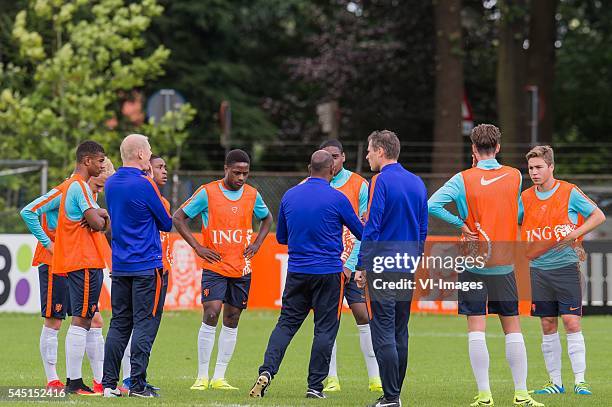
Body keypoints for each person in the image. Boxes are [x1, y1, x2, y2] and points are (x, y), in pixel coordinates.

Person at [428, 124, 543, 407]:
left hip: (473, 261)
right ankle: (522, 394)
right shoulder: (515, 176)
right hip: (504, 263)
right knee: (512, 326)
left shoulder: (462, 179)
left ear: (473, 149)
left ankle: (484, 395)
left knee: (476, 327)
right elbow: (517, 211)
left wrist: (462, 225)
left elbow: (432, 204)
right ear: (499, 148)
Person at [249, 150, 363, 400]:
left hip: (298, 272)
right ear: (332, 170)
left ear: (308, 167)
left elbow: (281, 238)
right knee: (324, 329)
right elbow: (361, 232)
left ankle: (267, 371)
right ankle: (314, 386)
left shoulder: (290, 196)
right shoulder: (338, 198)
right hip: (329, 274)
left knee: (286, 324)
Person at [173, 149, 273, 391]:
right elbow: (178, 217)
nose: (241, 178)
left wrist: (258, 243)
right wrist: (197, 247)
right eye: (236, 172)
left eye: (245, 174)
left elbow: (267, 218)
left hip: (241, 266)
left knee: (232, 317)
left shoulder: (252, 195)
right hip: (215, 264)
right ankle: (201, 376)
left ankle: (219, 377)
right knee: (211, 312)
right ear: (226, 169)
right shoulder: (208, 192)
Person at [19, 153, 111, 394]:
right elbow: (28, 212)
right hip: (54, 262)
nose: (99, 191)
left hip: (76, 262)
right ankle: (53, 380)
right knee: (55, 320)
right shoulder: (65, 191)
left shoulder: (86, 196)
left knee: (95, 319)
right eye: (99, 185)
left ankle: (100, 381)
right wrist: (48, 243)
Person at [520, 146, 605, 396]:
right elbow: (512, 219)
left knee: (571, 321)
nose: (534, 172)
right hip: (538, 269)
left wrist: (575, 234)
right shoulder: (525, 197)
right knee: (547, 324)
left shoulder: (568, 191)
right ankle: (555, 383)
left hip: (566, 267)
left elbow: (597, 215)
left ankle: (580, 380)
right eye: (531, 168)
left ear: (551, 167)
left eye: (539, 167)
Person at [354, 130, 428, 407]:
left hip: (383, 263)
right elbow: (422, 227)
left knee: (382, 329)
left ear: (381, 152)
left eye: (370, 151)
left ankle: (391, 397)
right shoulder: (417, 182)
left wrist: (362, 265)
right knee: (400, 330)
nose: (367, 156)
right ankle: (395, 393)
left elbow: (372, 227)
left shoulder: (380, 180)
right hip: (406, 264)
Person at [102, 134, 172, 398]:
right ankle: (138, 384)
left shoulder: (111, 183)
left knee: (119, 323)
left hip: (120, 265)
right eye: (150, 150)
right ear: (142, 154)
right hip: (147, 266)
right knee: (145, 324)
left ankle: (109, 384)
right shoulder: (145, 184)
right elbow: (166, 222)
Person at [315, 140, 381, 393]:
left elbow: (365, 229)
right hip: (326, 266)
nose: (331, 161)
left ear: (343, 157)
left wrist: (352, 265)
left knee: (363, 315)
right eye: (327, 157)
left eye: (335, 156)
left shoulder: (359, 185)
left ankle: (375, 377)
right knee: (328, 320)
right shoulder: (313, 185)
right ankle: (331, 378)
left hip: (352, 264)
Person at [119, 154, 170, 392]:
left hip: (158, 269)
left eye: (165, 167)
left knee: (144, 327)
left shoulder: (164, 202)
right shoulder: (142, 193)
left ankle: (136, 377)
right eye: (159, 166)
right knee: (140, 325)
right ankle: (132, 379)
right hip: (147, 269)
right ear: (148, 169)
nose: (164, 171)